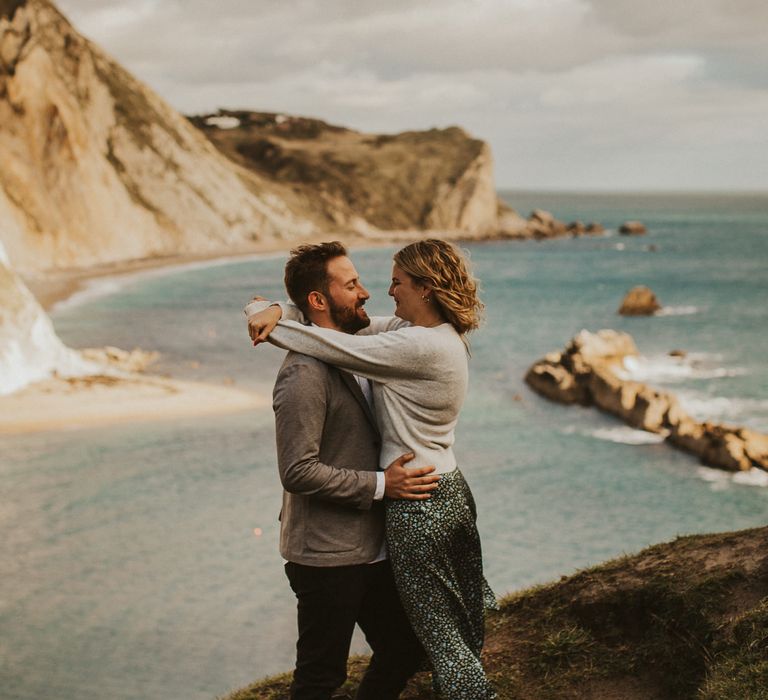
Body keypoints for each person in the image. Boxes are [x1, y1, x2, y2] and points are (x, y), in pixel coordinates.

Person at [247, 239, 497, 700]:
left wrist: (271, 311)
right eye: (354, 284)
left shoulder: (405, 344)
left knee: (420, 641)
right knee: (326, 675)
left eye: (394, 282)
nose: (374, 292)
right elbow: (298, 470)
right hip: (335, 547)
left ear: (425, 289)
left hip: (405, 516)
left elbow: (322, 333)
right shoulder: (314, 370)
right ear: (321, 300)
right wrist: (271, 307)